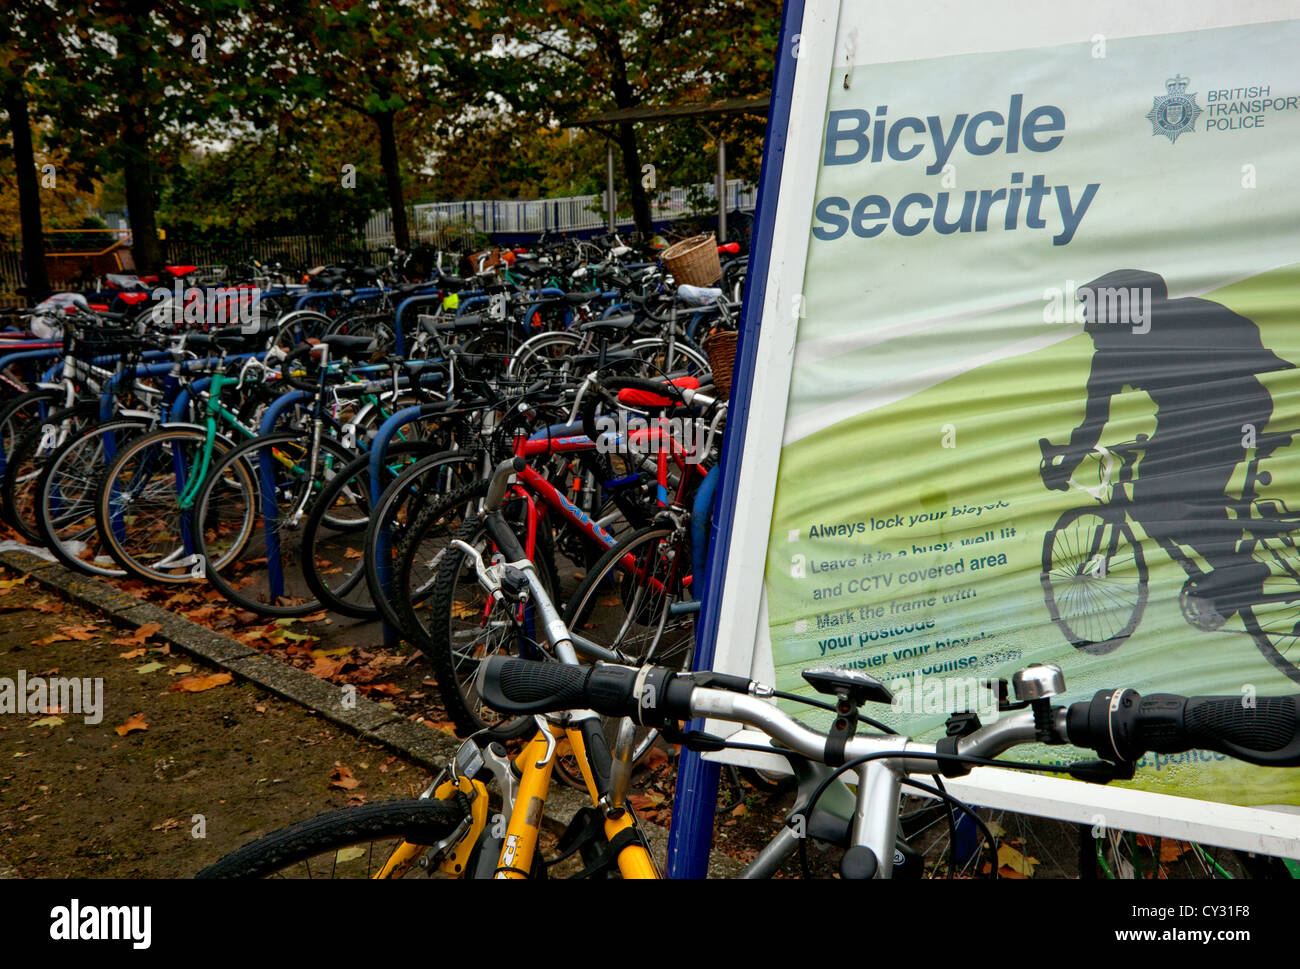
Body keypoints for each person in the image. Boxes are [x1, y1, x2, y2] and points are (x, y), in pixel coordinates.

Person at [1042, 269, 1293, 613]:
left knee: (1155, 497)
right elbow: (1094, 422)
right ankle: (1232, 570)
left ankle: (1236, 569)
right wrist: (1068, 461)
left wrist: (1065, 468)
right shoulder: (1125, 348)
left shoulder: (1131, 346)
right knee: (1172, 490)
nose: (1087, 326)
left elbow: (1094, 423)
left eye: (1092, 314)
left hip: (1222, 413)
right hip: (1202, 416)